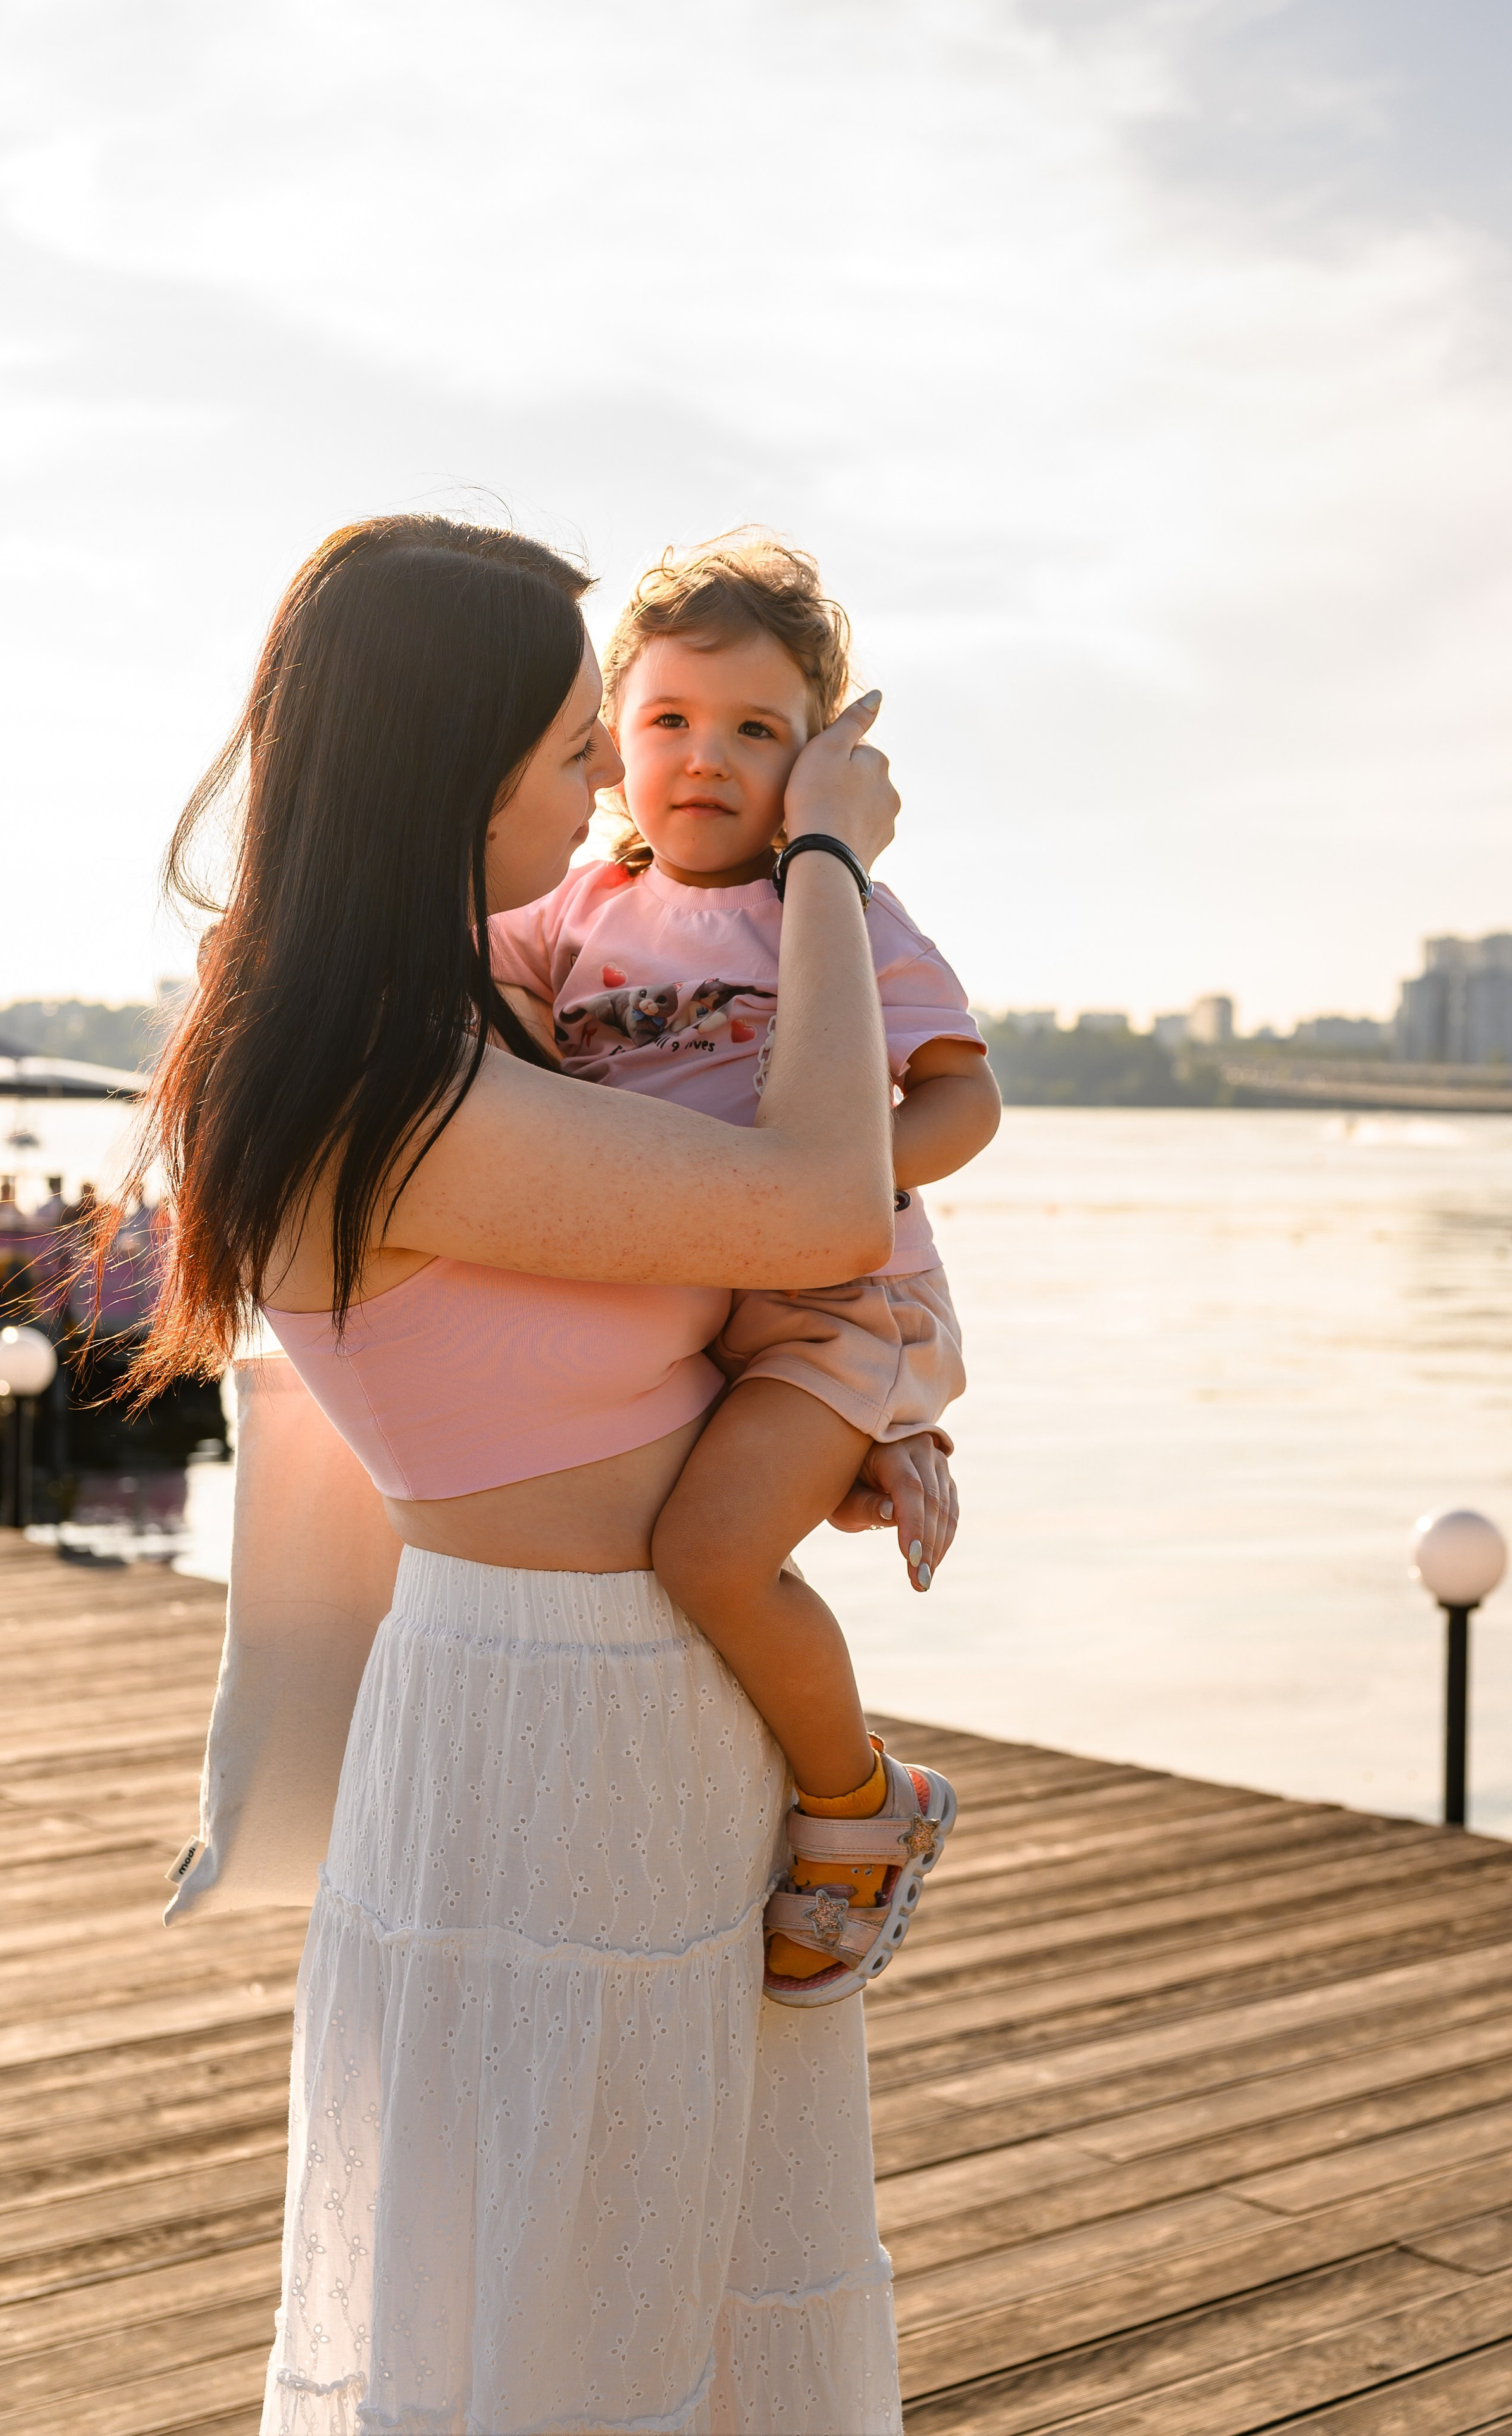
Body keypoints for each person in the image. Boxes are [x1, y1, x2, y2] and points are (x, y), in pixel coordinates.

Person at [118, 513, 935, 2434]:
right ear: (444, 765)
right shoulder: (379, 1078)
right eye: (580, 748)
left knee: (664, 2258)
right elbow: (825, 1199)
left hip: (629, 1690)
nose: (608, 797)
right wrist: (823, 852)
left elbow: (587, 1338)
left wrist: (822, 1429)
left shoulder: (461, 1018)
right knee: (565, 2288)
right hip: (561, 1718)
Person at [490, 534, 1000, 2002]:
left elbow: (963, 1097)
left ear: (817, 760)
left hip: (831, 1309)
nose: (704, 758)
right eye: (666, 722)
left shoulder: (831, 911)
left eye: (755, 732)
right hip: (683, 1305)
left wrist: (842, 1179)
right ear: (604, 744)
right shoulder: (573, 915)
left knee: (705, 1552)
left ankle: (861, 1804)